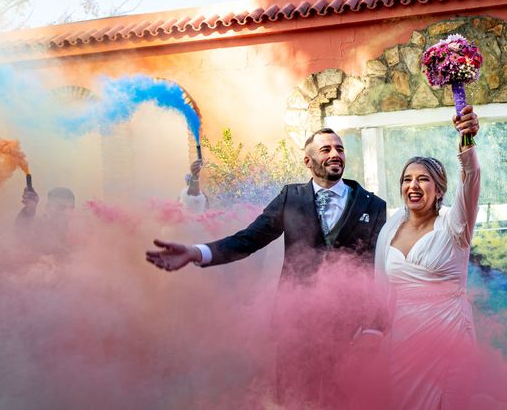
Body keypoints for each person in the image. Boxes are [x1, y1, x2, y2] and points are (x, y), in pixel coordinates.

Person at [145, 128, 387, 404]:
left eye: (339, 148)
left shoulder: (374, 205)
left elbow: (377, 267)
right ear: (307, 162)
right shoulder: (290, 198)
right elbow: (248, 239)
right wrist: (197, 252)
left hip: (350, 328)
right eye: (326, 149)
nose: (335, 154)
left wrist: (375, 324)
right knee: (296, 399)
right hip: (296, 324)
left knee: (348, 401)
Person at [374, 105, 481, 410]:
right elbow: (382, 291)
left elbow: (472, 177)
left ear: (439, 189)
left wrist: (467, 140)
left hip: (449, 333)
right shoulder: (390, 228)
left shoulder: (455, 226)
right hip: (404, 339)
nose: (413, 186)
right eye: (407, 179)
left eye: (423, 179)